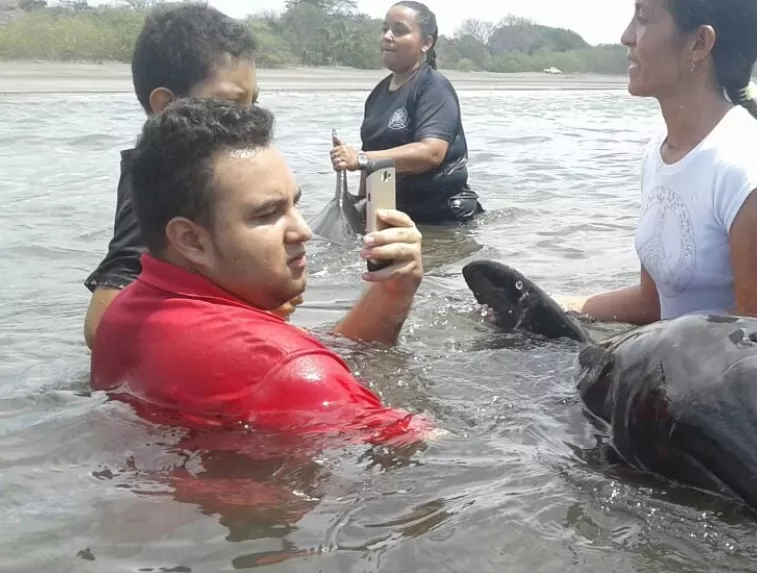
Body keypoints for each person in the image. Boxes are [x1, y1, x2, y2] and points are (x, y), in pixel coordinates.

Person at [91, 98, 437, 447]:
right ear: (191, 240)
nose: (302, 231)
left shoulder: (123, 313)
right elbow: (436, 458)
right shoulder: (285, 369)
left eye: (294, 204)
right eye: (268, 214)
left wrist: (393, 293)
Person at [554, 0, 757, 327]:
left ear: (699, 44)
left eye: (642, 18)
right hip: (671, 367)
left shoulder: (746, 174)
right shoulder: (660, 152)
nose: (626, 36)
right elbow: (653, 304)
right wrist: (562, 307)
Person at [80, 3, 299, 351]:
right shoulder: (171, 185)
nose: (248, 119)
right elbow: (102, 327)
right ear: (166, 105)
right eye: (229, 103)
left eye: (253, 103)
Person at [328, 0, 483, 226]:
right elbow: (372, 156)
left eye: (399, 31)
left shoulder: (433, 87)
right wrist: (360, 201)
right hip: (398, 216)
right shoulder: (377, 95)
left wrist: (360, 159)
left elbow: (431, 153)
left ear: (426, 43)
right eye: (384, 29)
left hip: (443, 221)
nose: (387, 36)